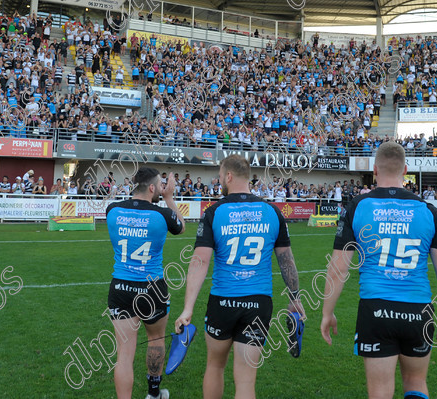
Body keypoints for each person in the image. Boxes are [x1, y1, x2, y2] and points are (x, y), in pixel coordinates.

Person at [321, 142, 437, 399]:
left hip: (376, 309)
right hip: (419, 310)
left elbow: (338, 268)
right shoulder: (430, 211)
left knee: (380, 392)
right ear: (405, 170)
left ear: (374, 170)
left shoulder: (357, 207)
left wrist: (327, 312)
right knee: (416, 383)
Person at [175, 154, 305, 399]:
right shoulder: (272, 211)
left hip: (223, 301)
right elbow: (286, 260)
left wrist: (187, 308)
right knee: (246, 380)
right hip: (258, 303)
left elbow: (200, 261)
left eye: (221, 175)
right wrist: (294, 297)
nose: (219, 180)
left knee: (215, 366)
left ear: (229, 176)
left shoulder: (215, 212)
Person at [105, 167, 185, 399]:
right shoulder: (162, 214)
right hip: (152, 288)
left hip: (120, 286)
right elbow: (180, 227)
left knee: (124, 355)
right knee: (156, 339)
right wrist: (169, 198)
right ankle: (153, 394)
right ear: (152, 188)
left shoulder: (113, 210)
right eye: (160, 185)